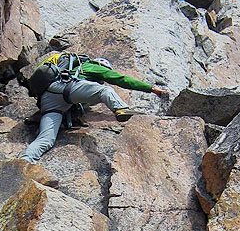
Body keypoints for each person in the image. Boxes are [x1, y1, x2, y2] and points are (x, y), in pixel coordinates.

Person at [21, 54, 168, 164]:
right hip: (66, 88)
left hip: (48, 100)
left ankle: (25, 161)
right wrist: (151, 89)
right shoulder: (92, 66)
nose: (102, 79)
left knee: (45, 139)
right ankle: (121, 109)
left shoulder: (72, 70)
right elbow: (121, 79)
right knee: (105, 91)